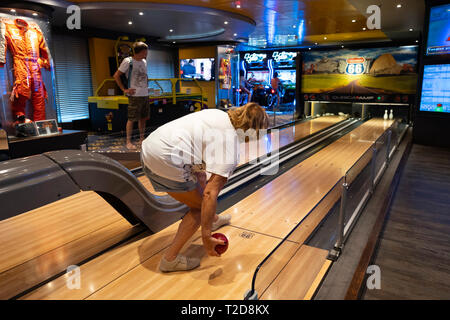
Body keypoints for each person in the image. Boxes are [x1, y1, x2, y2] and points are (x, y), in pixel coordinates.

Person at [141, 103, 269, 272]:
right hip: (164, 160)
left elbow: (201, 170)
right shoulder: (230, 151)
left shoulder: (217, 114)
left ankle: (213, 219)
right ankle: (170, 260)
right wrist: (206, 235)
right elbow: (210, 193)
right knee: (199, 209)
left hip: (149, 146)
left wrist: (209, 218)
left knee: (200, 174)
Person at [113, 42, 149, 150]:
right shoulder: (128, 61)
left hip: (145, 94)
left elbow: (145, 76)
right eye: (145, 51)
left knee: (143, 118)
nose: (146, 53)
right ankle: (128, 141)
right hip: (134, 96)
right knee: (132, 118)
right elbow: (116, 75)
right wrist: (124, 90)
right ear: (141, 51)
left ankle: (142, 139)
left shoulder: (144, 61)